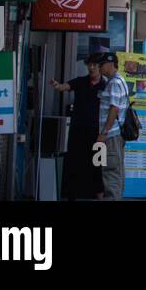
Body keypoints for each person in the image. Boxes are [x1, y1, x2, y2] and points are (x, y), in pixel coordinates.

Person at [51, 53, 107, 200]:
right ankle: (71, 195)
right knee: (75, 162)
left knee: (98, 164)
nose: (91, 67)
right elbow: (65, 86)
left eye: (94, 65)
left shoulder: (106, 85)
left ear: (100, 67)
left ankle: (100, 195)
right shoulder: (81, 81)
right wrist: (57, 86)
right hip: (78, 129)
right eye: (89, 64)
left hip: (98, 132)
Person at [95, 52, 130, 199]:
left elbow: (114, 109)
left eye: (101, 64)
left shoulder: (114, 83)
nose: (99, 67)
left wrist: (104, 133)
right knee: (116, 170)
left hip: (111, 135)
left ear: (110, 64)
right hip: (116, 135)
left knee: (110, 173)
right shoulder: (120, 80)